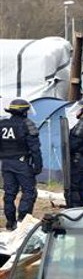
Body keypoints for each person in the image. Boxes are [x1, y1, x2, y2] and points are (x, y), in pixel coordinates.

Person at [0, 98, 42, 230]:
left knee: (9, 193)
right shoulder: (27, 124)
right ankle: (22, 221)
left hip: (6, 164)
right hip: (22, 164)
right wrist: (38, 165)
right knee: (29, 192)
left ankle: (10, 222)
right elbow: (35, 148)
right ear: (24, 111)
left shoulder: (2, 124)